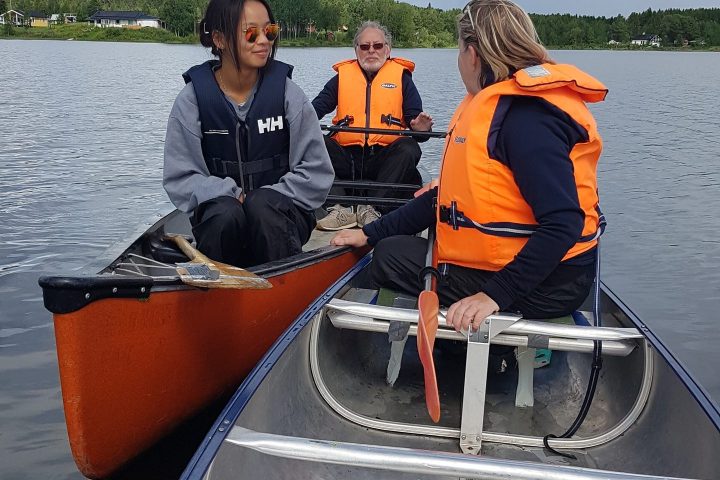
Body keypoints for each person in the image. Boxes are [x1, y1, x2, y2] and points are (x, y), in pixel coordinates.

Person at [331, 0, 607, 333]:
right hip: (542, 268)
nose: (459, 61)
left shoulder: (525, 119)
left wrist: (493, 296)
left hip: (551, 283)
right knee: (387, 243)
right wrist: (369, 232)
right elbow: (443, 202)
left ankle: (454, 347)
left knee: (389, 257)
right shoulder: (510, 107)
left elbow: (564, 223)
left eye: (460, 51)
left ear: (473, 54)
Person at [163, 0, 334, 268]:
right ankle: (218, 294)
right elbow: (181, 178)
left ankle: (283, 288)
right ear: (219, 39)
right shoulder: (192, 100)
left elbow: (317, 173)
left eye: (270, 31)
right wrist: (231, 193)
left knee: (263, 207)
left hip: (281, 217)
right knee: (224, 212)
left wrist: (257, 199)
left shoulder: (289, 94)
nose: (264, 41)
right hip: (222, 220)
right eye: (251, 33)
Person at [312, 21, 434, 231]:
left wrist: (421, 129)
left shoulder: (402, 78)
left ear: (387, 50)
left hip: (383, 159)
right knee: (315, 143)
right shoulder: (341, 78)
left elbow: (418, 129)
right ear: (356, 49)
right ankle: (339, 208)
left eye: (377, 46)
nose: (371, 51)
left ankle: (373, 209)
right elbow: (313, 111)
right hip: (347, 158)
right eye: (364, 46)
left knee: (409, 147)